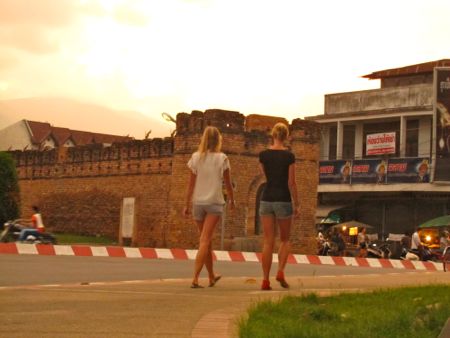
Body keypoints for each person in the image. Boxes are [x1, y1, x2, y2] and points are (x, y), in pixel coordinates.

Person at [183, 126, 235, 289]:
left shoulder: (195, 158)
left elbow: (190, 185)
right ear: (218, 140)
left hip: (198, 203)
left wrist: (186, 204)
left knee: (207, 241)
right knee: (205, 240)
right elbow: (227, 184)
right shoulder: (222, 158)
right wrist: (232, 200)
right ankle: (195, 278)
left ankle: (212, 276)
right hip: (214, 203)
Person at [258, 122, 300, 291]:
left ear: (273, 135)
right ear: (286, 136)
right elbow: (291, 182)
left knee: (268, 241)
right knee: (285, 239)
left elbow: (265, 176)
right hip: (283, 199)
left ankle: (265, 280)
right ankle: (281, 271)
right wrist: (297, 204)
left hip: (266, 198)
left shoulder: (263, 155)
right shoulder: (289, 157)